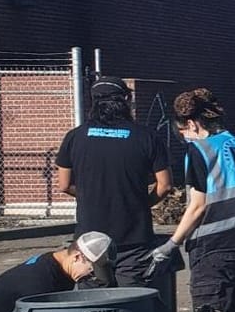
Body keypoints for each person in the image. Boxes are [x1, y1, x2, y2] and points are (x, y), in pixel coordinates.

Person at [149, 89, 235, 312]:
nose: (184, 137)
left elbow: (198, 206)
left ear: (193, 124)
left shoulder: (200, 150)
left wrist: (171, 245)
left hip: (215, 249)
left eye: (183, 131)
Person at [54, 77, 170, 288]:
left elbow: (63, 184)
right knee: (133, 301)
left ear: (94, 102)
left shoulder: (74, 137)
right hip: (134, 236)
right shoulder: (147, 137)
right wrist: (140, 203)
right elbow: (165, 185)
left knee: (94, 302)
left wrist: (93, 197)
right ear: (126, 100)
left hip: (90, 238)